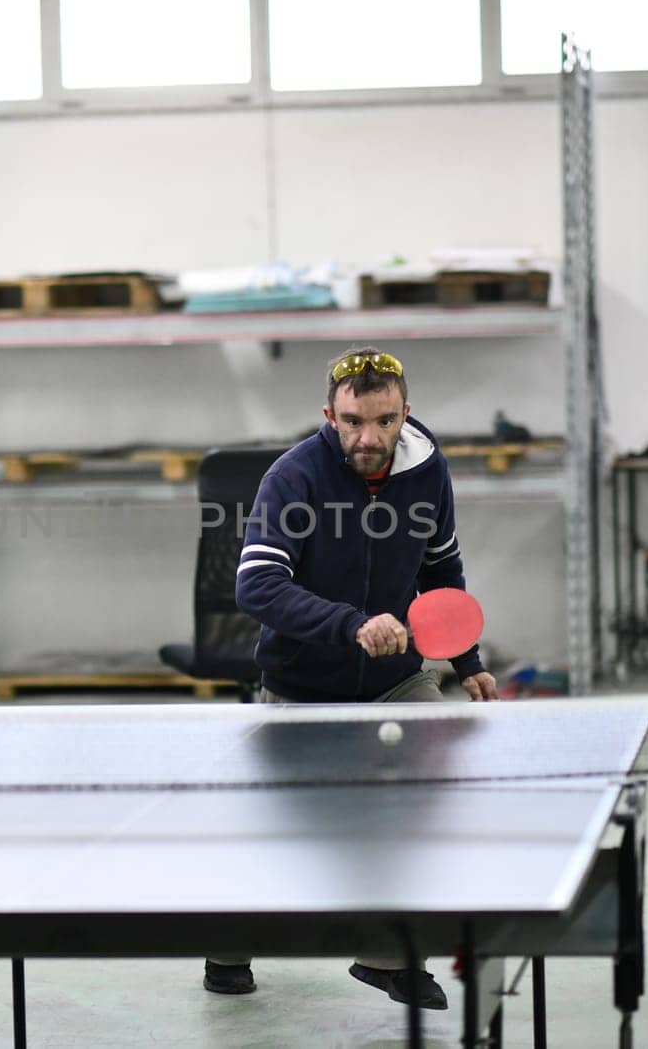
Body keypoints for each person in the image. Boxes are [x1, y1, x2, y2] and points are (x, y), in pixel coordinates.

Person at [203, 346, 498, 1009]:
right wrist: (349, 623)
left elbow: (441, 572)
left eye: (385, 421)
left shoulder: (428, 471)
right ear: (329, 415)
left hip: (396, 679)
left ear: (406, 414)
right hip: (300, 684)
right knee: (279, 829)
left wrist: (467, 660)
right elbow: (256, 585)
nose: (369, 437)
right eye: (353, 421)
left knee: (433, 788)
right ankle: (225, 943)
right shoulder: (295, 477)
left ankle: (386, 956)